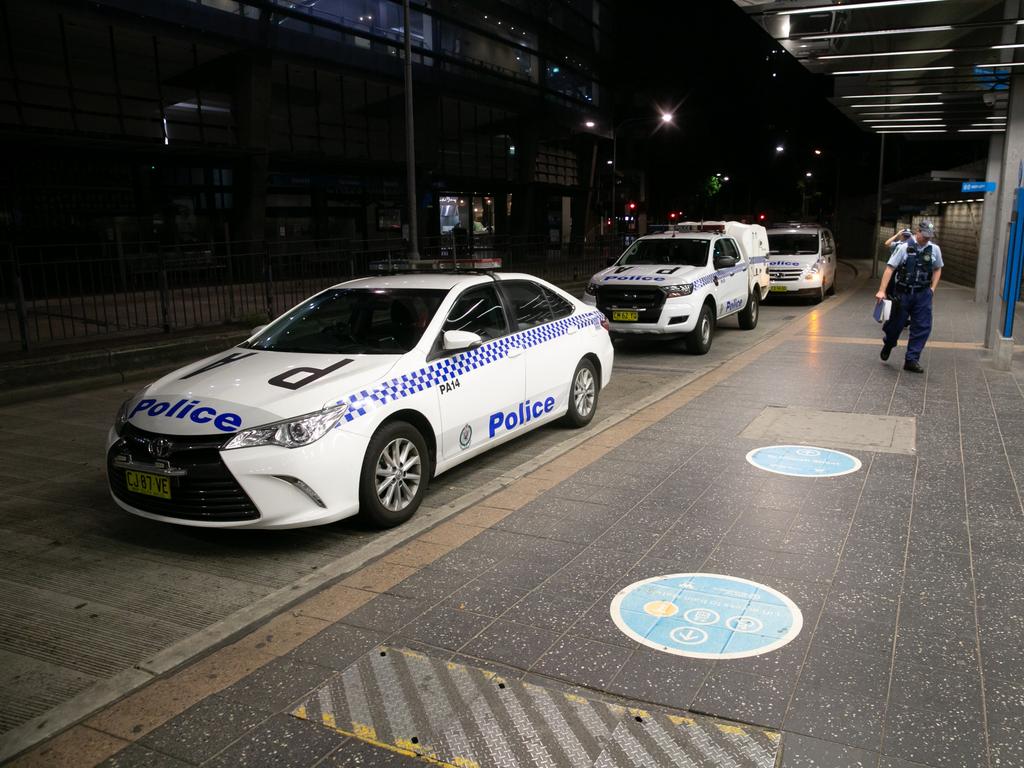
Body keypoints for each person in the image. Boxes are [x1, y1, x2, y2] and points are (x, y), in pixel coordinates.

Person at [875, 220, 943, 373]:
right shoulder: (904, 247)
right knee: (895, 325)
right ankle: (889, 343)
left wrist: (932, 288)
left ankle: (912, 359)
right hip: (903, 294)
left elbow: (938, 269)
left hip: (923, 294)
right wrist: (882, 290)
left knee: (922, 327)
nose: (927, 238)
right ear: (917, 232)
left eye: (929, 236)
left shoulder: (935, 249)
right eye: (924, 235)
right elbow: (890, 268)